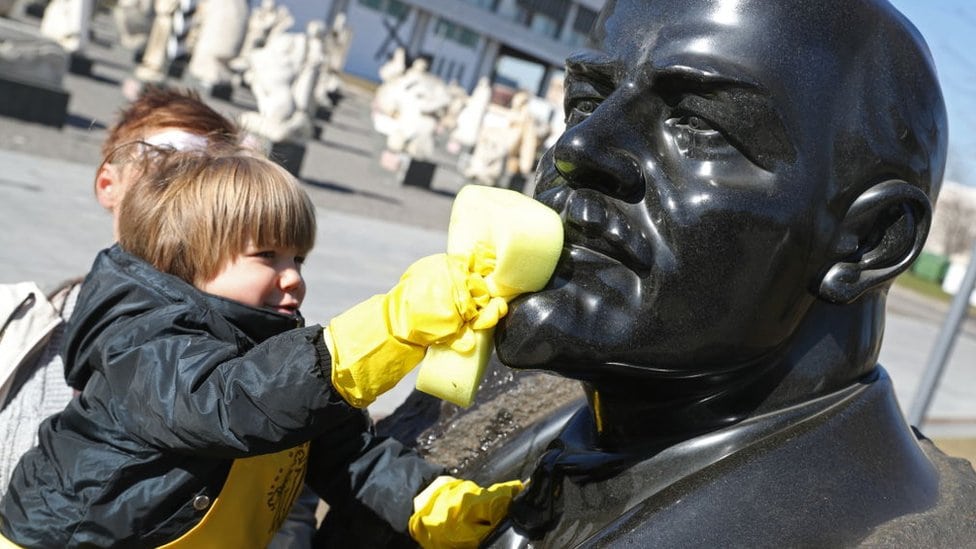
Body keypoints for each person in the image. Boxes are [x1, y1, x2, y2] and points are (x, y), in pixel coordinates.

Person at [473, 0, 976, 546]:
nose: (579, 147)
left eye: (697, 122)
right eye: (586, 102)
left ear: (870, 241)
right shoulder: (491, 392)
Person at [0, 145, 522, 547]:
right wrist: (394, 327)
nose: (292, 278)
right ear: (185, 258)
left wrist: (432, 505)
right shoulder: (143, 343)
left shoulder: (277, 343)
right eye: (267, 255)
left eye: (299, 258)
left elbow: (350, 456)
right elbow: (236, 402)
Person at [0, 86, 241, 497]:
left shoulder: (253, 351)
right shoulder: (15, 322)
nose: (187, 187)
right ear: (108, 184)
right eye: (165, 157)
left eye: (211, 172)